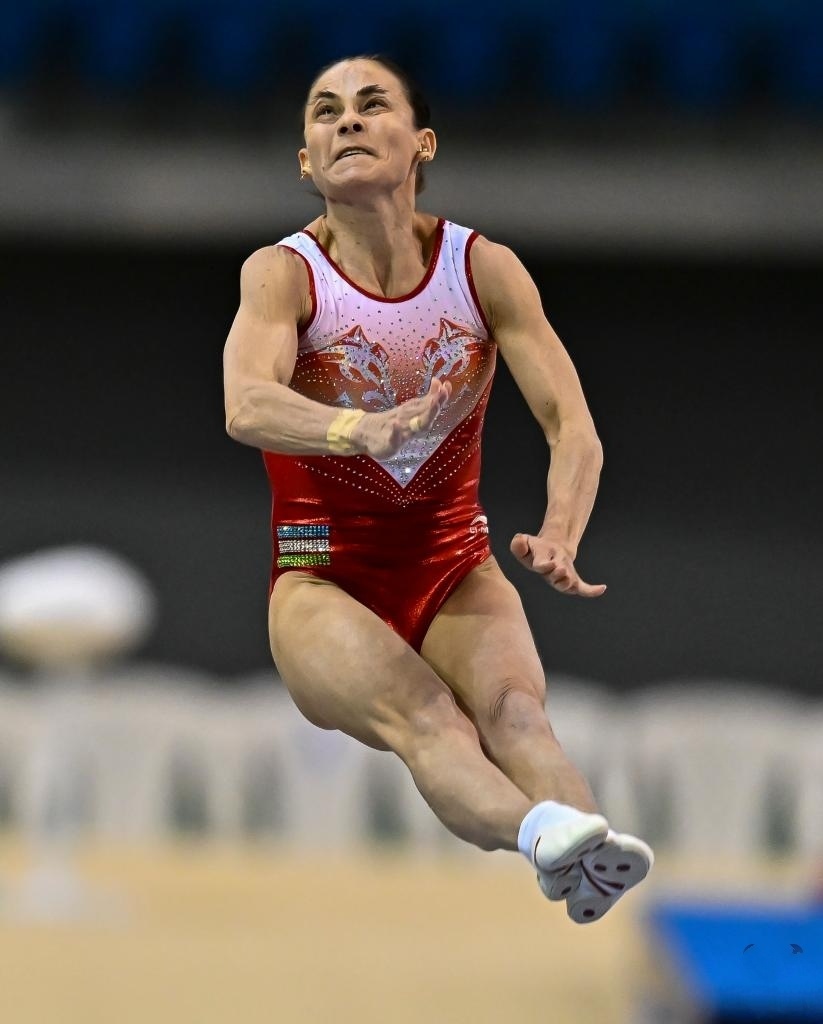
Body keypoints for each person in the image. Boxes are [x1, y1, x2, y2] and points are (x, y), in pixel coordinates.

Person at [223, 54, 652, 924]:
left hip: (451, 562)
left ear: (421, 143)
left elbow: (572, 427)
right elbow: (245, 403)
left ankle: (587, 857)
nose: (346, 120)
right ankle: (539, 834)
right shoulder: (283, 274)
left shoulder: (482, 269)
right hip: (319, 573)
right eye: (324, 112)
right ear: (305, 162)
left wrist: (561, 533)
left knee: (518, 717)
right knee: (430, 719)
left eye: (370, 104)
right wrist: (354, 428)